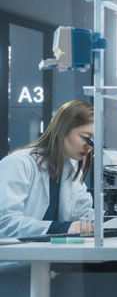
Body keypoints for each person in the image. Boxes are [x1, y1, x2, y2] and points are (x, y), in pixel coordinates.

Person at [0, 99, 95, 239]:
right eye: (85, 137)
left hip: (51, 256)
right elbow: (5, 222)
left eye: (93, 140)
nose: (89, 146)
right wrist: (60, 228)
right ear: (62, 130)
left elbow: (82, 214)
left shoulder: (71, 168)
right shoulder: (19, 163)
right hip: (16, 258)